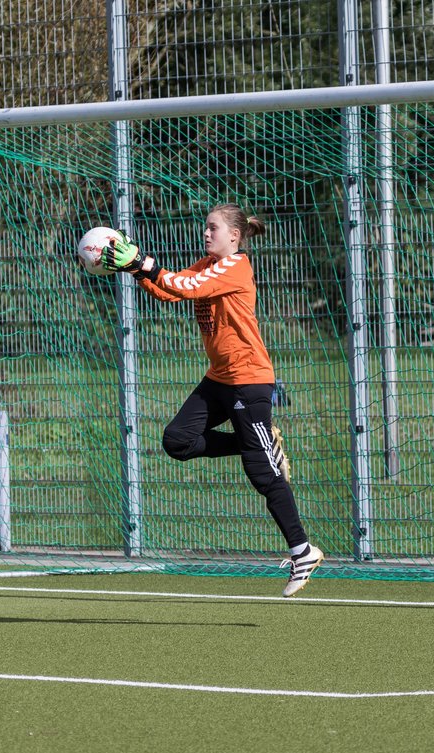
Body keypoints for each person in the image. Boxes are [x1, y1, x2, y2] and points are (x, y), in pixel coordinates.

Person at [102, 204, 323, 597]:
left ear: (234, 236)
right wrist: (134, 269)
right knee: (177, 440)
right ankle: (255, 442)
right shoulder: (208, 263)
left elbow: (189, 287)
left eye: (213, 228)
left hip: (249, 381)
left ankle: (303, 551)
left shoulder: (236, 267)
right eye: (206, 228)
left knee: (263, 475)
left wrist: (143, 260)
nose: (207, 234)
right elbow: (171, 290)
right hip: (220, 378)